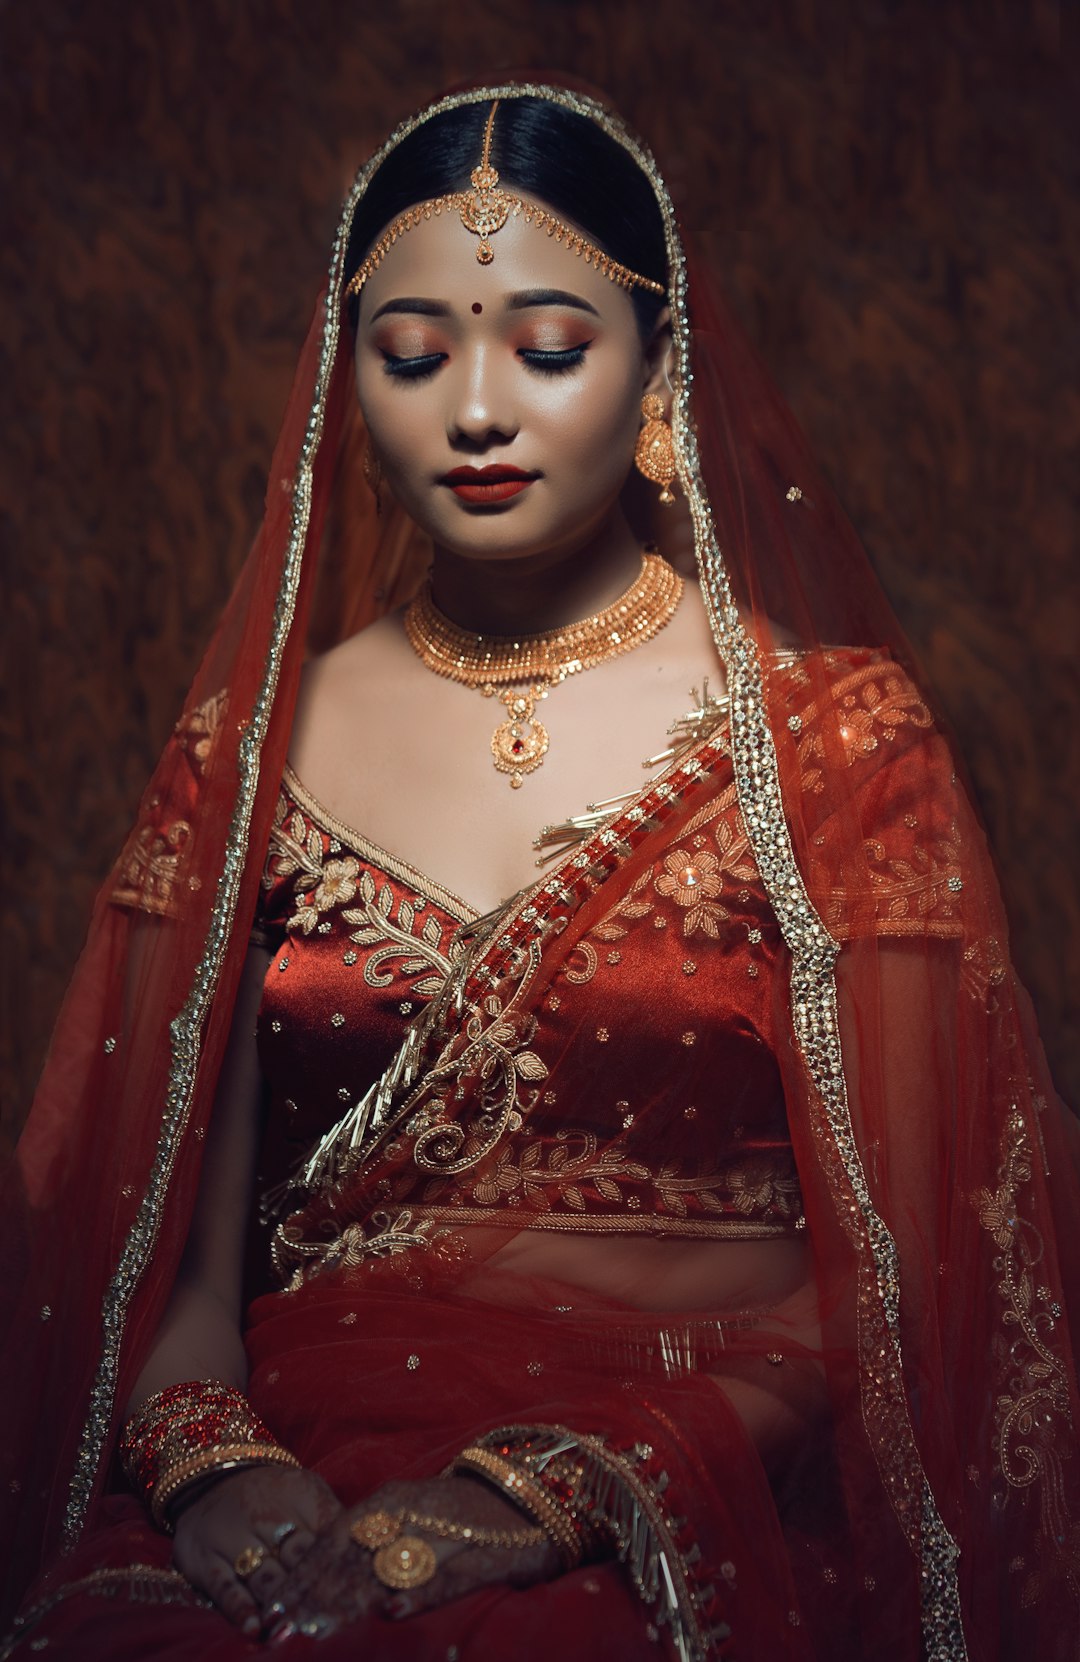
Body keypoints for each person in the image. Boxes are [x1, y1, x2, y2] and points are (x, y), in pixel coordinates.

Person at [1, 80, 1077, 1662]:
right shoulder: (259, 745)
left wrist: (545, 1492)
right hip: (306, 1447)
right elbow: (168, 1240)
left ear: (658, 371)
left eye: (551, 350)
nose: (479, 410)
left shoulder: (835, 746)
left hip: (710, 1459)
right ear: (346, 382)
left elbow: (942, 1253)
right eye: (416, 353)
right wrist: (210, 1461)